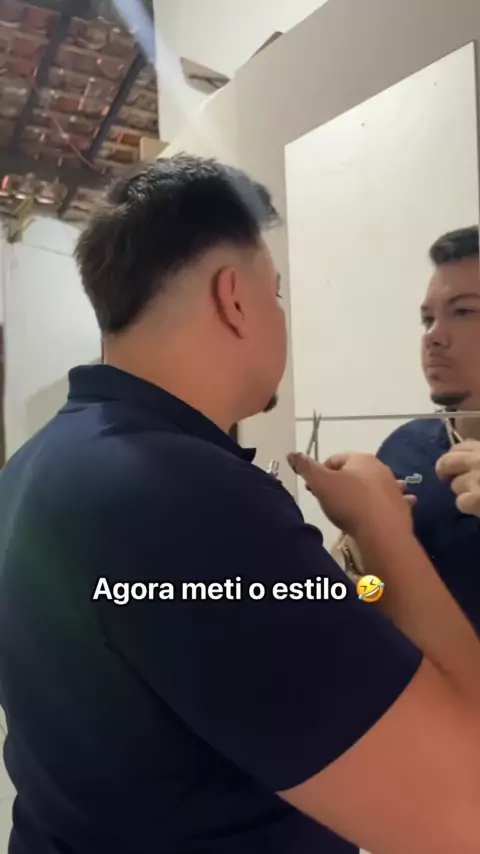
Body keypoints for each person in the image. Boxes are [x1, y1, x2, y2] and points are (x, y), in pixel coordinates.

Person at [1, 158, 480, 854]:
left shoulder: (34, 465)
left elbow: (329, 609)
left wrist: (357, 575)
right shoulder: (188, 498)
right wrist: (379, 533)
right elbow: (465, 810)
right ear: (233, 299)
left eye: (464, 312)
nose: (435, 335)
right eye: (275, 293)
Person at [376, 227, 480, 629]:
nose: (433, 337)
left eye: (464, 311)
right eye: (427, 319)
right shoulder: (402, 449)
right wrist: (356, 546)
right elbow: (367, 595)